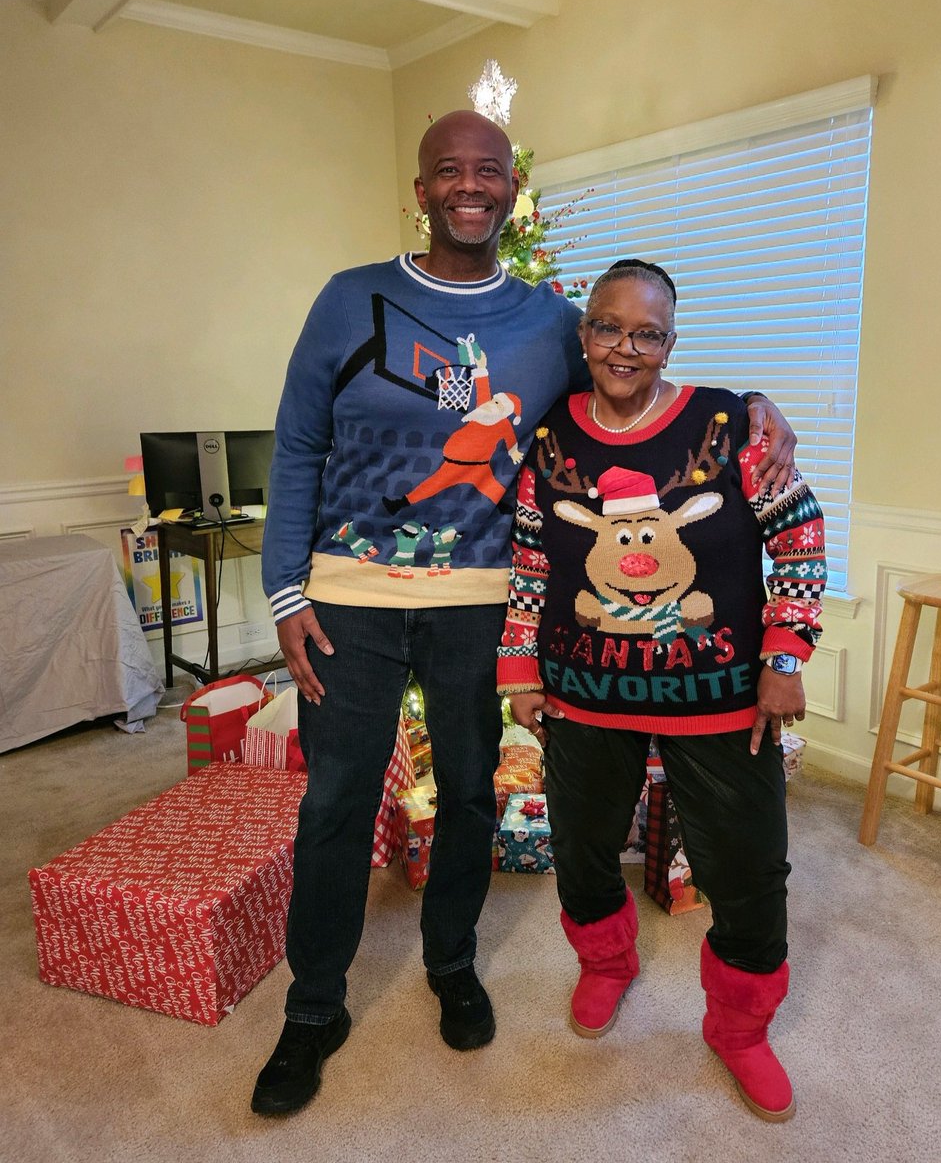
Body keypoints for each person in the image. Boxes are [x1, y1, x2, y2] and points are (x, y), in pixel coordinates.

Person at [253, 111, 799, 1118]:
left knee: (468, 794)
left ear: (512, 189)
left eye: (489, 172)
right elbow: (296, 445)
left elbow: (634, 375)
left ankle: (452, 966)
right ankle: (315, 1007)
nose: (471, 187)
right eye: (448, 172)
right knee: (333, 805)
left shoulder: (552, 317)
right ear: (419, 189)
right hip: (349, 599)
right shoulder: (348, 300)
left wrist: (757, 401)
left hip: (478, 598)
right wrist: (283, 587)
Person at [497, 259, 826, 1124]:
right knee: (580, 850)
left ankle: (740, 1029)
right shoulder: (550, 441)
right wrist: (519, 664)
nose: (625, 347)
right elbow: (533, 559)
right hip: (583, 698)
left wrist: (785, 657)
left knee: (748, 871)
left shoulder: (732, 423)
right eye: (608, 327)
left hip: (720, 702)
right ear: (585, 333)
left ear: (670, 341)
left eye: (647, 333)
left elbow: (799, 536)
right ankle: (607, 966)